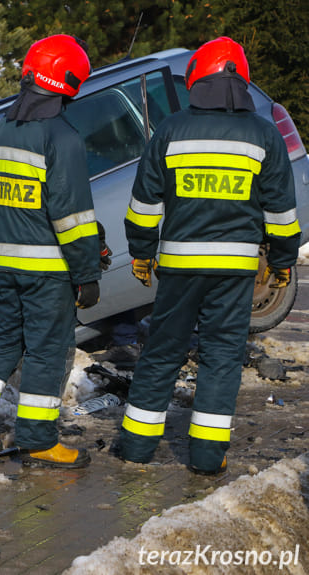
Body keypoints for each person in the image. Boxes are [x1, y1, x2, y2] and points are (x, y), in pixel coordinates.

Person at [119, 37, 300, 475]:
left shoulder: (171, 129)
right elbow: (281, 214)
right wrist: (281, 261)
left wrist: (142, 254)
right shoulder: (263, 134)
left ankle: (136, 449)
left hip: (180, 266)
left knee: (163, 351)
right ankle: (206, 457)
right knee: (222, 357)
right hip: (235, 270)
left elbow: (144, 205)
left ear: (197, 80)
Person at [0, 35, 104, 469]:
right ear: (68, 82)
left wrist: (1, 240)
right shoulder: (61, 137)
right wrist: (87, 274)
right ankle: (39, 439)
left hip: (8, 265)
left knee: (3, 340)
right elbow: (70, 214)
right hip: (50, 271)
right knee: (47, 350)